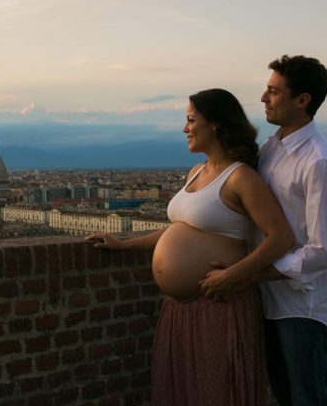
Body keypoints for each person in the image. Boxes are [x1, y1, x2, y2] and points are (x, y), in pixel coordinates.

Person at [87, 88, 294, 406]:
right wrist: (124, 245)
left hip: (219, 301)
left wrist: (235, 276)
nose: (185, 128)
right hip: (179, 308)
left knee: (217, 390)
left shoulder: (241, 178)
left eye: (190, 120)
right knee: (183, 391)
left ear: (216, 125)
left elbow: (281, 237)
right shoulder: (195, 172)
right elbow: (178, 231)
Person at [204, 55, 327, 406]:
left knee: (309, 398)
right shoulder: (271, 149)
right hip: (267, 299)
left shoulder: (320, 163)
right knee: (285, 396)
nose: (263, 98)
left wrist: (246, 274)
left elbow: (321, 252)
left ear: (302, 100)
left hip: (301, 304)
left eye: (273, 91)